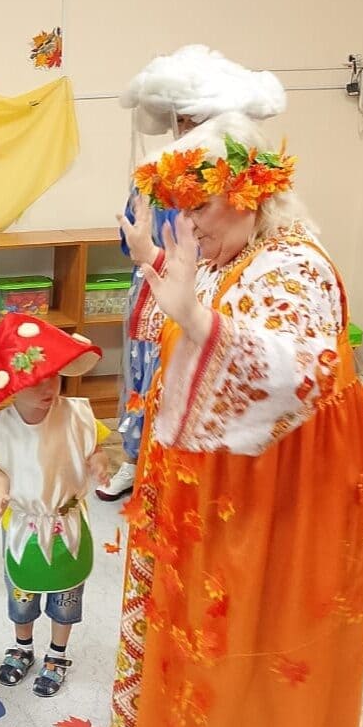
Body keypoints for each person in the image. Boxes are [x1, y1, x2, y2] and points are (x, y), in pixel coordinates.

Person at [109, 111, 363, 727]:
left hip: (277, 496)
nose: (188, 225)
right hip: (228, 486)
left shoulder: (293, 266)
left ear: (249, 194)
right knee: (212, 624)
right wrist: (154, 266)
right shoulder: (240, 251)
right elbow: (192, 316)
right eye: (181, 210)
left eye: (198, 207)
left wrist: (194, 316)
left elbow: (296, 370)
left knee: (260, 630)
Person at [98, 46, 287, 501]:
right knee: (142, 374)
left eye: (195, 119)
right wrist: (146, 250)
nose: (186, 128)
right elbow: (132, 234)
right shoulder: (154, 174)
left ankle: (173, 467)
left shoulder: (239, 183)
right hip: (153, 284)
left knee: (183, 376)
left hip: (205, 293)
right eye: (180, 120)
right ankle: (135, 458)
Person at [0, 316, 110, 697]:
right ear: (12, 386)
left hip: (67, 523)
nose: (49, 387)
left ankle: (57, 653)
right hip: (23, 526)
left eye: (53, 377)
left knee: (66, 597)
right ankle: (22, 646)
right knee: (22, 596)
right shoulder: (1, 428)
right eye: (35, 381)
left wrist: (99, 461)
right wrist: (0, 493)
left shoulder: (76, 415)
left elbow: (96, 445)